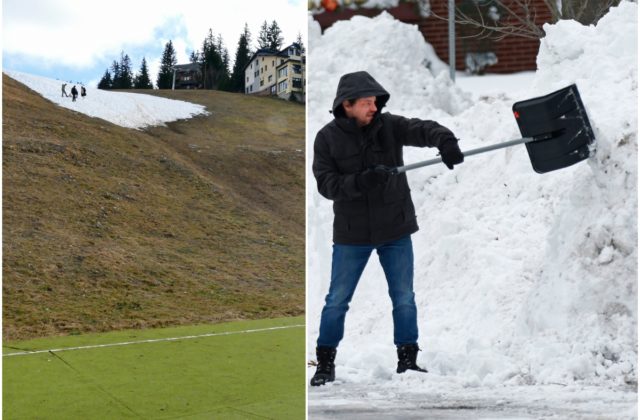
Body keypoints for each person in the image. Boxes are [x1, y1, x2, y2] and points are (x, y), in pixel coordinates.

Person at [310, 71, 464, 386]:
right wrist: (361, 180)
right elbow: (326, 184)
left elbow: (423, 129)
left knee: (404, 296)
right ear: (347, 105)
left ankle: (407, 360)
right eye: (366, 102)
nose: (373, 108)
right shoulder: (327, 138)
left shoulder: (389, 126)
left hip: (395, 227)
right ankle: (325, 363)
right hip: (352, 234)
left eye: (376, 102)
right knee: (337, 299)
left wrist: (445, 140)